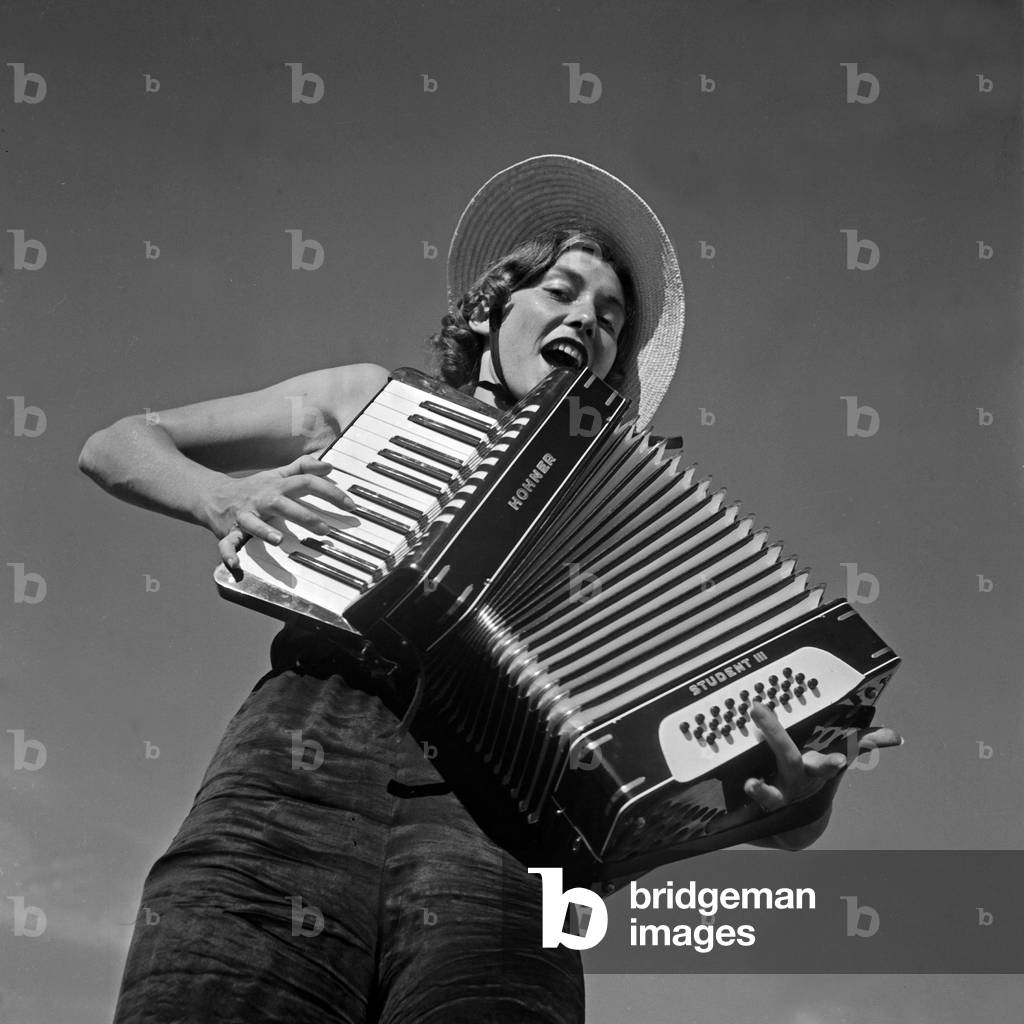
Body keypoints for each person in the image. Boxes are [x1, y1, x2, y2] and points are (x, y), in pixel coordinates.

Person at [79, 155, 901, 1024]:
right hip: (294, 780)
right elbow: (118, 444)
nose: (585, 320)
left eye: (611, 319)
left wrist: (802, 804)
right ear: (492, 307)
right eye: (561, 291)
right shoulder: (374, 399)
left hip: (506, 846)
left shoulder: (628, 510)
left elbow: (699, 784)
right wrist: (221, 495)